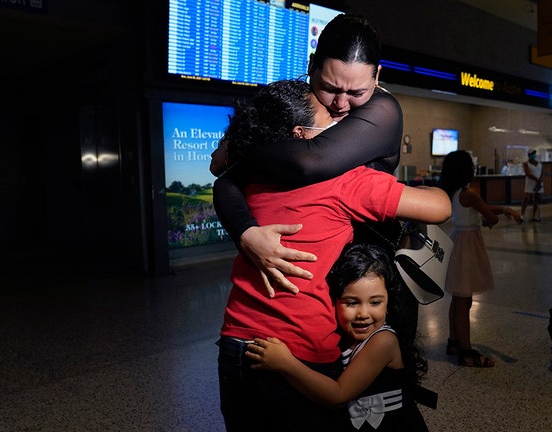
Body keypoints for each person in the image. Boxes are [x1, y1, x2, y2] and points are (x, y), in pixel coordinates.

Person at [217, 79, 451, 432]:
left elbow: (220, 171)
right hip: (298, 352)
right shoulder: (346, 182)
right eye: (328, 115)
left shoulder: (253, 175)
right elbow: (440, 206)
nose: (341, 120)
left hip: (235, 344)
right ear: (301, 135)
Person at [246, 243, 430, 431]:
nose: (363, 313)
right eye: (352, 303)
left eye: (375, 302)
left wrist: (285, 363)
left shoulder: (383, 341)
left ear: (388, 302)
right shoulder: (343, 337)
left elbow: (338, 396)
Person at [437, 150, 523, 368]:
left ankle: (454, 341)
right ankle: (466, 352)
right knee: (465, 299)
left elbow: (480, 209)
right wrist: (496, 216)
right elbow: (488, 215)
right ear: (467, 169)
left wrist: (504, 210)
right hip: (468, 244)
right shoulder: (470, 193)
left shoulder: (455, 192)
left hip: (458, 239)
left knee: (458, 297)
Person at [521, 149, 543, 222]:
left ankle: (534, 215)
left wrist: (540, 180)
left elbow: (542, 173)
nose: (534, 155)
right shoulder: (526, 164)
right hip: (530, 182)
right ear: (529, 155)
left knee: (536, 198)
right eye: (532, 154)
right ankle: (522, 215)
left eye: (534, 154)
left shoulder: (539, 164)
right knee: (526, 198)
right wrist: (536, 179)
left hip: (538, 182)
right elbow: (527, 173)